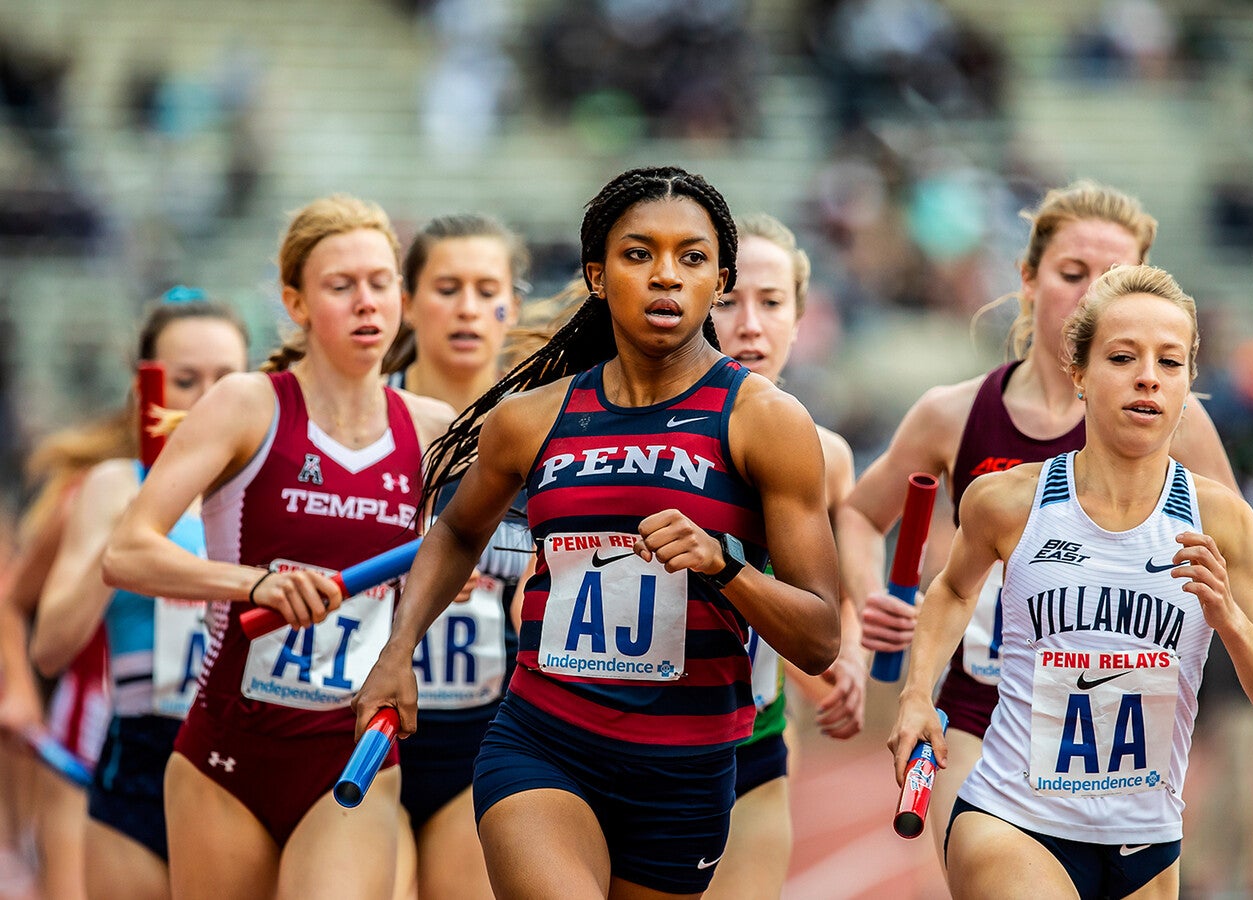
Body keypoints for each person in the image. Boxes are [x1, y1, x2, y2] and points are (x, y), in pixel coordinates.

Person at [353, 165, 841, 900]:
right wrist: (398, 651)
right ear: (597, 275)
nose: (666, 276)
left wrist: (724, 567)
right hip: (545, 739)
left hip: (687, 767)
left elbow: (819, 635)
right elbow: (455, 533)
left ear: (720, 279)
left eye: (693, 257)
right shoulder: (532, 417)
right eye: (638, 254)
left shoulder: (765, 422)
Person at [836, 180, 1241, 867]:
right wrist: (868, 599)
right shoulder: (955, 413)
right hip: (981, 714)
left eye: (1111, 279)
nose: (1088, 296)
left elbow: (1234, 556)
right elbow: (856, 512)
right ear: (1028, 278)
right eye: (1071, 273)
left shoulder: (1180, 419)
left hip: (1120, 730)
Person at [887, 264, 1253, 900]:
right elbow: (951, 590)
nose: (1147, 376)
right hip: (1012, 818)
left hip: (1149, 841)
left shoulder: (1223, 522)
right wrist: (918, 693)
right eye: (1122, 356)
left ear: (1189, 381)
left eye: (1169, 362)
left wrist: (1231, 621)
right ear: (1078, 373)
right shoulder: (1008, 502)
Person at [101, 194, 455, 899]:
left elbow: (480, 551)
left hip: (352, 754)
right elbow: (126, 552)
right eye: (340, 286)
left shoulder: (431, 429)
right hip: (226, 755)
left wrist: (456, 578)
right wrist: (252, 584)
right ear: (295, 302)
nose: (366, 303)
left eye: (381, 283)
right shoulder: (246, 405)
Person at [30, 294, 250, 899]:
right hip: (138, 756)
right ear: (145, 387)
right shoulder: (112, 484)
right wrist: (125, 538)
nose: (207, 398)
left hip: (242, 757)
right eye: (185, 380)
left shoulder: (273, 486)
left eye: (226, 379)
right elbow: (50, 649)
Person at [702, 212, 863, 899]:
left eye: (771, 303)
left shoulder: (826, 457)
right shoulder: (636, 439)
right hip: (633, 746)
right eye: (727, 302)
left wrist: (846, 658)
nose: (749, 324)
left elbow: (836, 593)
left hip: (754, 750)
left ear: (800, 319)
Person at [382, 213, 533, 900]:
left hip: (484, 735)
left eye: (486, 289)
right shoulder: (365, 423)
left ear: (513, 305)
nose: (468, 308)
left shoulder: (541, 433)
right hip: (358, 719)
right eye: (447, 288)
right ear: (408, 302)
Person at [0, 390, 138, 900]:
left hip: (189, 747)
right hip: (86, 738)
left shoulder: (233, 497)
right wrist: (21, 692)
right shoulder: (85, 498)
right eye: (186, 380)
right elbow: (12, 600)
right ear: (142, 398)